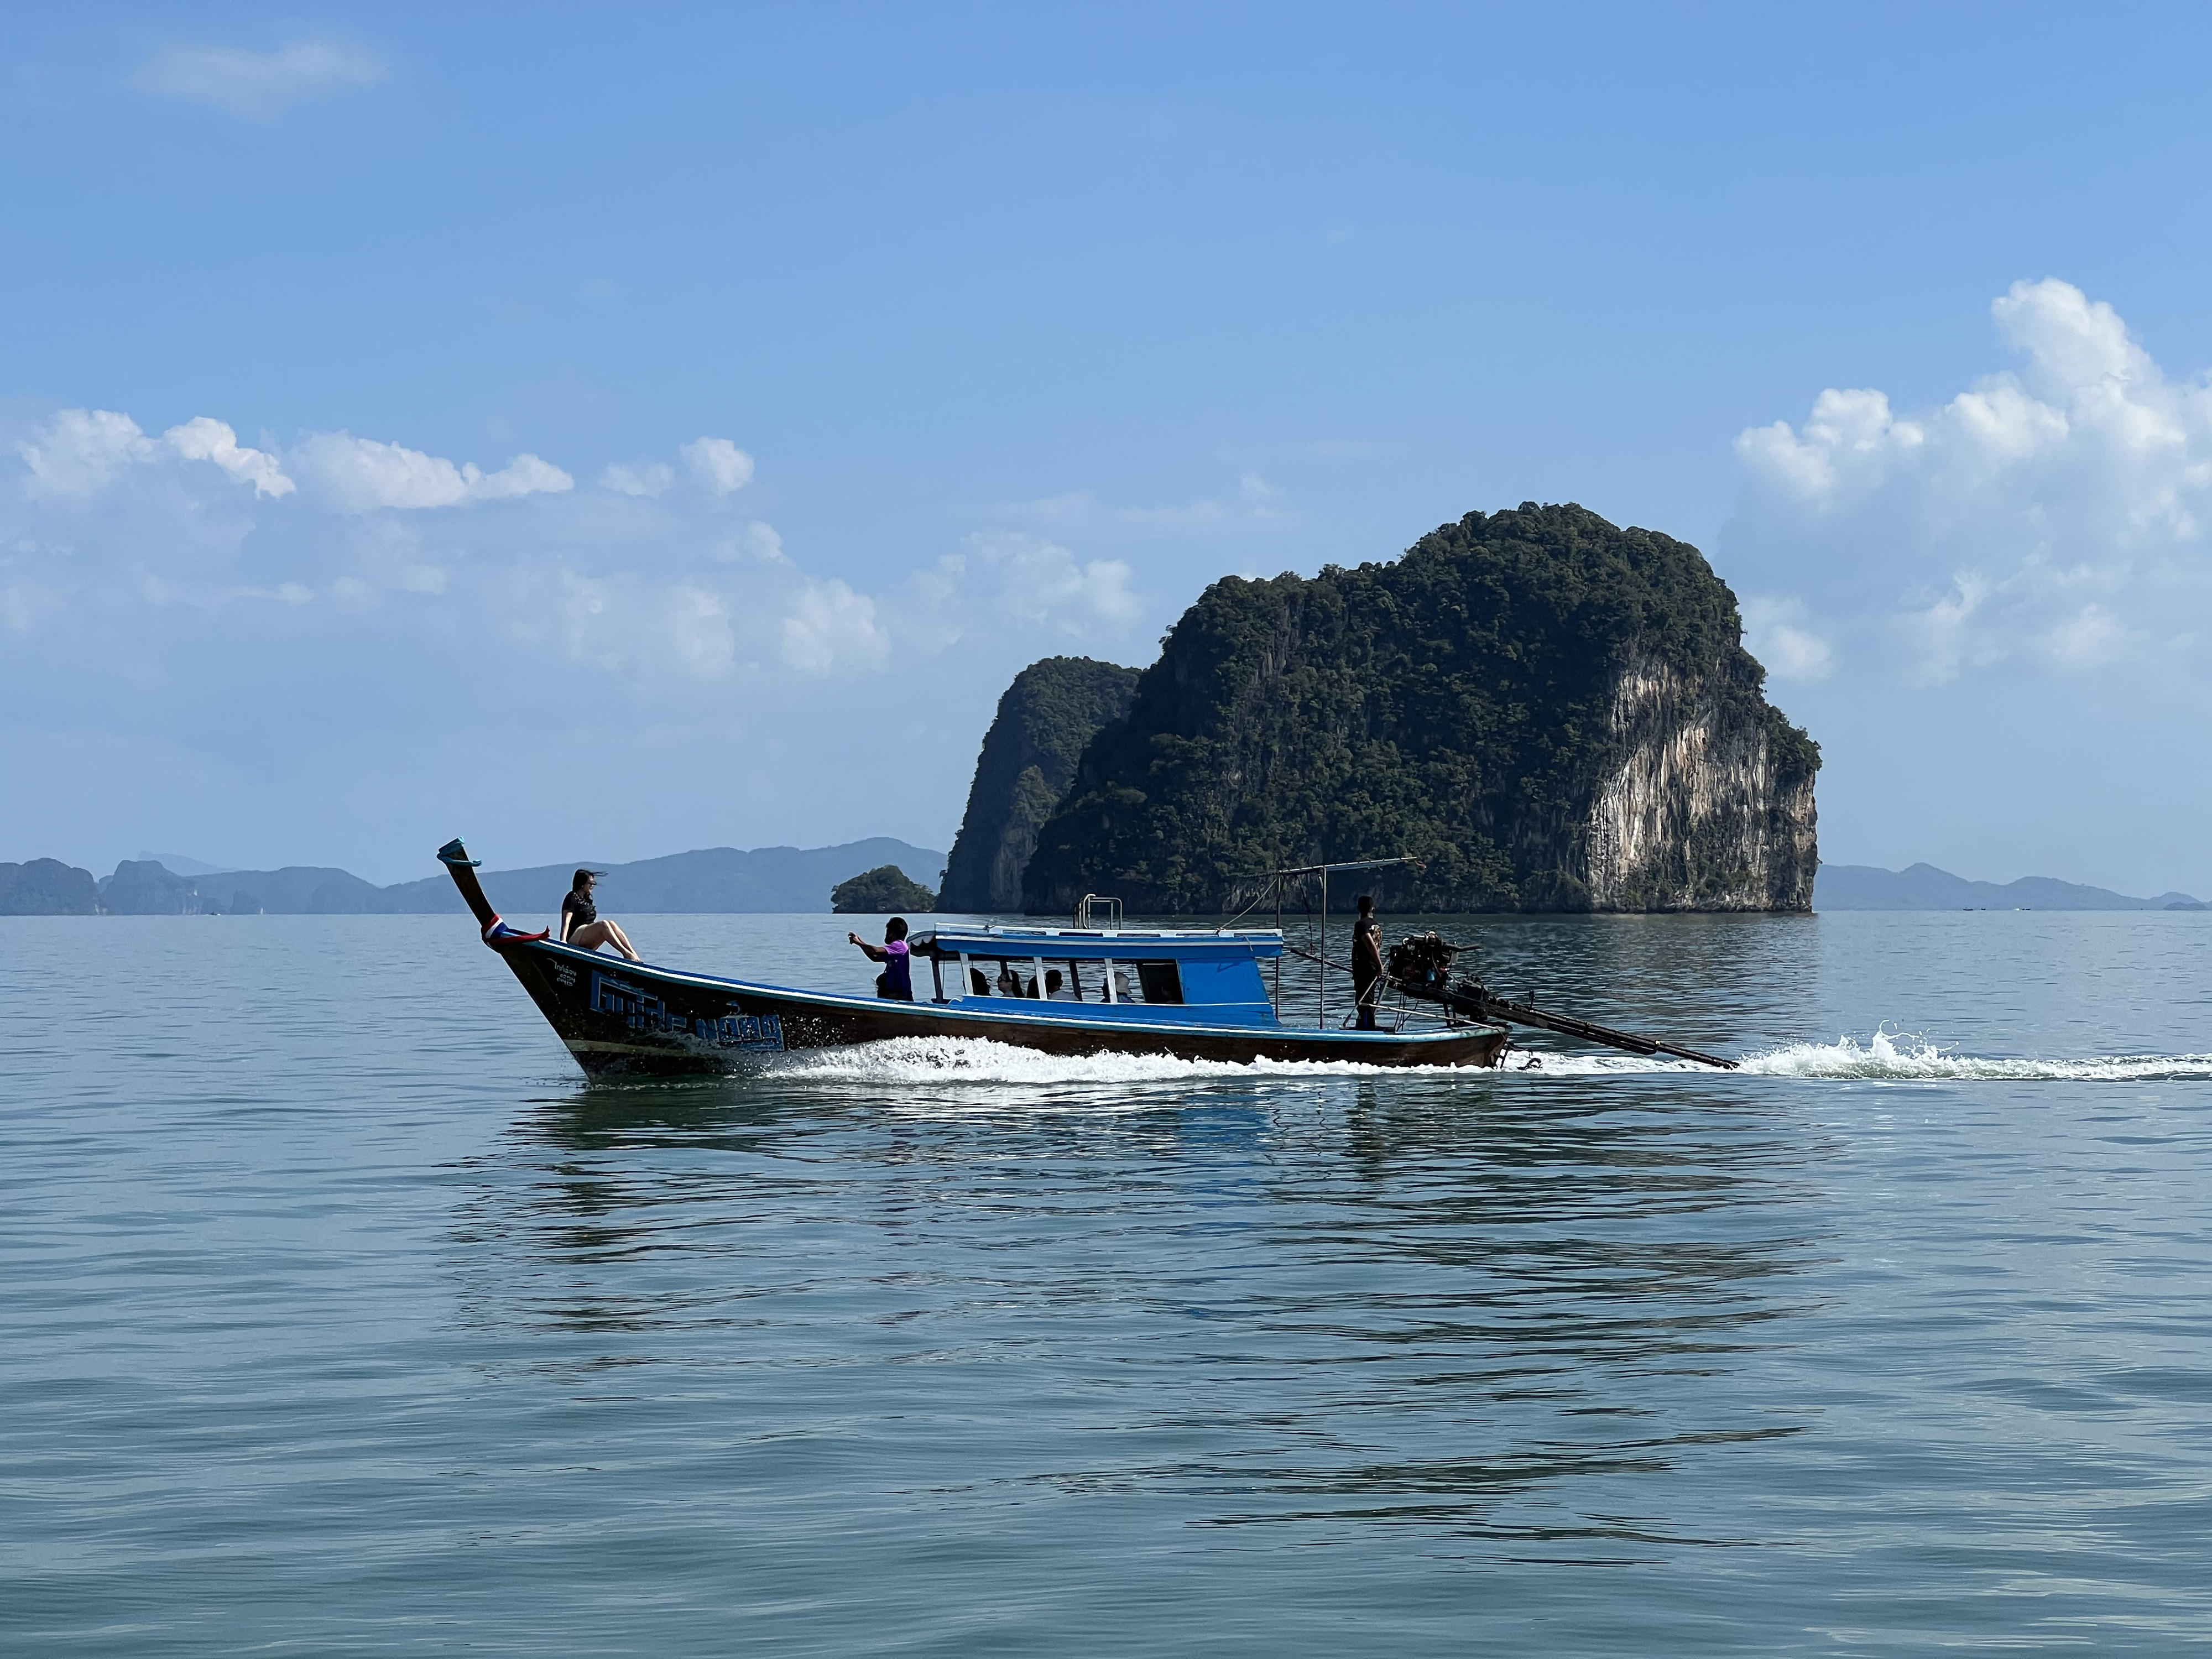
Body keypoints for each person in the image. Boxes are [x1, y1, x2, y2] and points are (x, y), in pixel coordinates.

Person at [559, 869, 640, 960]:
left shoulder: (587, 899)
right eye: (590, 884)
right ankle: (626, 954)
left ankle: (633, 954)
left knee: (611, 923)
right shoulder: (572, 897)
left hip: (586, 934)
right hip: (575, 936)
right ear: (582, 884)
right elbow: (566, 920)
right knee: (603, 925)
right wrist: (563, 940)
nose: (592, 886)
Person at [849, 916, 914, 1001]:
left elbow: (875, 951)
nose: (886, 934)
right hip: (894, 994)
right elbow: (875, 958)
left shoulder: (900, 945)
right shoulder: (894, 951)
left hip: (901, 996)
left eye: (888, 931)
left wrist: (859, 943)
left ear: (893, 933)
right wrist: (860, 943)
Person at [1352, 893, 1384, 1030]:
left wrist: (1380, 965)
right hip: (1372, 966)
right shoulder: (1376, 926)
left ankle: (1368, 1026)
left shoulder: (1361, 925)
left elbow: (1370, 944)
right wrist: (1378, 965)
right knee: (1369, 996)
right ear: (1373, 909)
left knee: (1363, 998)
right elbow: (1377, 947)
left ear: (1359, 909)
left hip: (1364, 967)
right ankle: (1366, 1023)